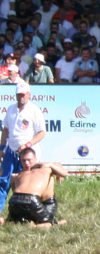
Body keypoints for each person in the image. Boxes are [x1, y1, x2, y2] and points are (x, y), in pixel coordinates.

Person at [0, 82, 45, 215]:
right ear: (16, 94)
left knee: (24, 182)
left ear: (29, 95)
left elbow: (42, 132)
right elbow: (6, 130)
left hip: (26, 153)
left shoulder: (34, 110)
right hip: (11, 151)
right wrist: (1, 147)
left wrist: (28, 144)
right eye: (19, 94)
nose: (22, 97)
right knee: (4, 181)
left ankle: (23, 212)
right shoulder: (11, 109)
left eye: (24, 95)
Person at [2, 147, 67, 227]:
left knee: (12, 221)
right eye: (23, 161)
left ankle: (5, 220)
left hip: (14, 201)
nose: (26, 163)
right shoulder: (46, 168)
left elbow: (15, 191)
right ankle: (36, 226)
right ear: (20, 161)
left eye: (29, 160)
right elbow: (64, 173)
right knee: (50, 223)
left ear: (35, 159)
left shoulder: (16, 175)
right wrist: (53, 167)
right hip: (32, 200)